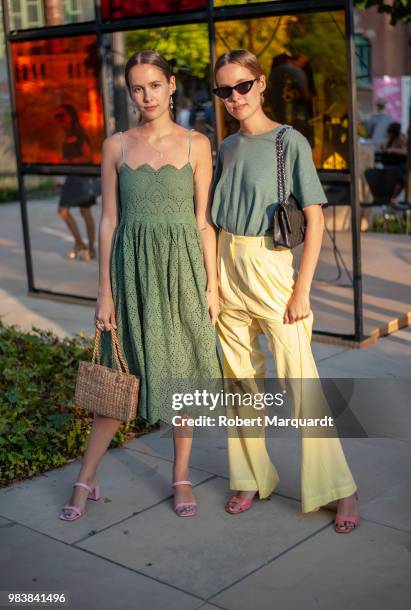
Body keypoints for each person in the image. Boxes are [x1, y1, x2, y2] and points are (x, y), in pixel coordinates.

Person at [59, 50, 221, 522]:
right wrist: (103, 291)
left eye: (155, 84)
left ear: (172, 85)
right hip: (130, 273)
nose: (146, 95)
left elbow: (203, 222)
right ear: (129, 92)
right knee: (118, 376)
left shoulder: (198, 144)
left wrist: (212, 287)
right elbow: (108, 222)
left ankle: (181, 475)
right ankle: (86, 477)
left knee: (182, 375)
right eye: (137, 87)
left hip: (182, 271)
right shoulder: (117, 145)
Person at [211, 49, 359, 533]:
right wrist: (213, 282)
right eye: (224, 90)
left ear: (261, 85)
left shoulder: (287, 141)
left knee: (301, 382)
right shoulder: (227, 147)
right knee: (239, 383)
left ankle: (340, 489)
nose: (234, 98)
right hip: (227, 266)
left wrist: (302, 290)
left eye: (242, 86)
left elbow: (314, 217)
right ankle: (251, 476)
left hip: (271, 270)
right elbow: (212, 220)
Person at [54, 104, 98, 261]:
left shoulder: (79, 134)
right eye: (56, 117)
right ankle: (80, 243)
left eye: (62, 116)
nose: (59, 120)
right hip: (72, 179)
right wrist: (61, 178)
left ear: (71, 116)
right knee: (64, 211)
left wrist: (68, 161)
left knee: (84, 212)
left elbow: (88, 156)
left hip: (82, 178)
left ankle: (90, 248)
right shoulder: (67, 135)